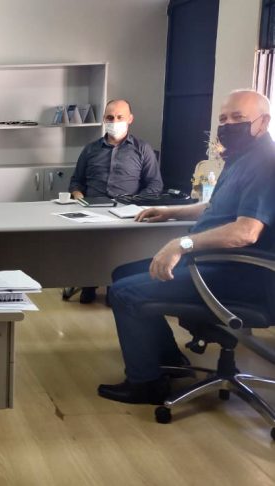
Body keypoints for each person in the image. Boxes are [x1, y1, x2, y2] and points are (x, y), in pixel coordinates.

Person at [97, 89, 275, 405]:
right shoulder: (241, 157)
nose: (228, 125)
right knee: (122, 273)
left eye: (238, 118)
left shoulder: (266, 164)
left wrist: (183, 243)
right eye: (223, 119)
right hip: (214, 263)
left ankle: (146, 384)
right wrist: (171, 212)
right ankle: (168, 359)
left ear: (263, 122)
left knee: (125, 293)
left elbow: (246, 232)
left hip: (237, 274)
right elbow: (216, 207)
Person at [68, 99, 163, 303]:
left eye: (120, 117)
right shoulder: (90, 149)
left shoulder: (142, 149)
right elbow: (76, 181)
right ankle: (88, 282)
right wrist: (78, 197)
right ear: (104, 119)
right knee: (88, 245)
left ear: (130, 119)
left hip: (127, 211)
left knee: (119, 248)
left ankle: (115, 286)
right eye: (110, 117)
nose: (115, 121)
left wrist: (135, 203)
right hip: (91, 209)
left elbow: (155, 185)